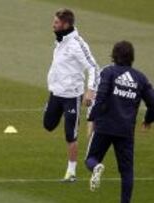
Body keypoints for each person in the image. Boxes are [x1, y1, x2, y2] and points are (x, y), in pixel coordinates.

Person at [86, 41, 154, 203]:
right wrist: (148, 119)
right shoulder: (140, 78)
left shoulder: (108, 72)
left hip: (104, 126)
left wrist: (92, 118)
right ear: (131, 57)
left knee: (91, 158)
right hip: (125, 131)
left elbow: (101, 96)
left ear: (114, 56)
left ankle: (97, 167)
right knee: (126, 171)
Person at [43, 8, 100, 182]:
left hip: (72, 97)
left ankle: (71, 172)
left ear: (66, 24)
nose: (53, 24)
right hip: (55, 93)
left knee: (70, 134)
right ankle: (49, 108)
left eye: (57, 22)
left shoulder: (77, 44)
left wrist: (90, 90)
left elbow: (93, 68)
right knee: (48, 125)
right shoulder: (60, 40)